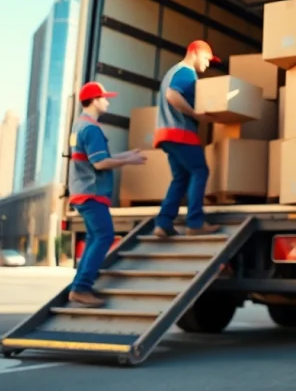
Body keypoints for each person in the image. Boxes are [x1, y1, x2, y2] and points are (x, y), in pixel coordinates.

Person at [67, 81, 147, 308]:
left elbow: (99, 158)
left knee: (94, 238)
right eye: (104, 98)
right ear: (94, 101)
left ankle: (79, 286)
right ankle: (81, 288)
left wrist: (127, 155)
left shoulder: (79, 125)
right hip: (91, 193)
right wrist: (128, 161)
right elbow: (100, 163)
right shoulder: (91, 129)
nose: (107, 102)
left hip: (82, 191)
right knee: (104, 236)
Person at [152, 40, 222, 238]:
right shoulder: (186, 72)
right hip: (181, 133)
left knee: (181, 178)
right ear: (195, 53)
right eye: (206, 59)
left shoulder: (172, 72)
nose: (207, 64)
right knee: (200, 171)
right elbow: (172, 94)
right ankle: (195, 223)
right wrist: (194, 113)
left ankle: (163, 223)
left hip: (166, 134)